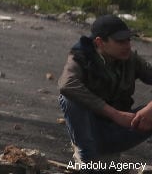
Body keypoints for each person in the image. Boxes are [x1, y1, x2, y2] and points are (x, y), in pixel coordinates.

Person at [58, 15, 152, 163]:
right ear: (100, 42)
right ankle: (87, 158)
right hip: (90, 131)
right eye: (120, 41)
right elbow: (66, 84)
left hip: (119, 130)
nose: (127, 45)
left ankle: (104, 156)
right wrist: (114, 114)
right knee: (69, 99)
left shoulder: (130, 59)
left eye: (128, 40)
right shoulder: (82, 57)